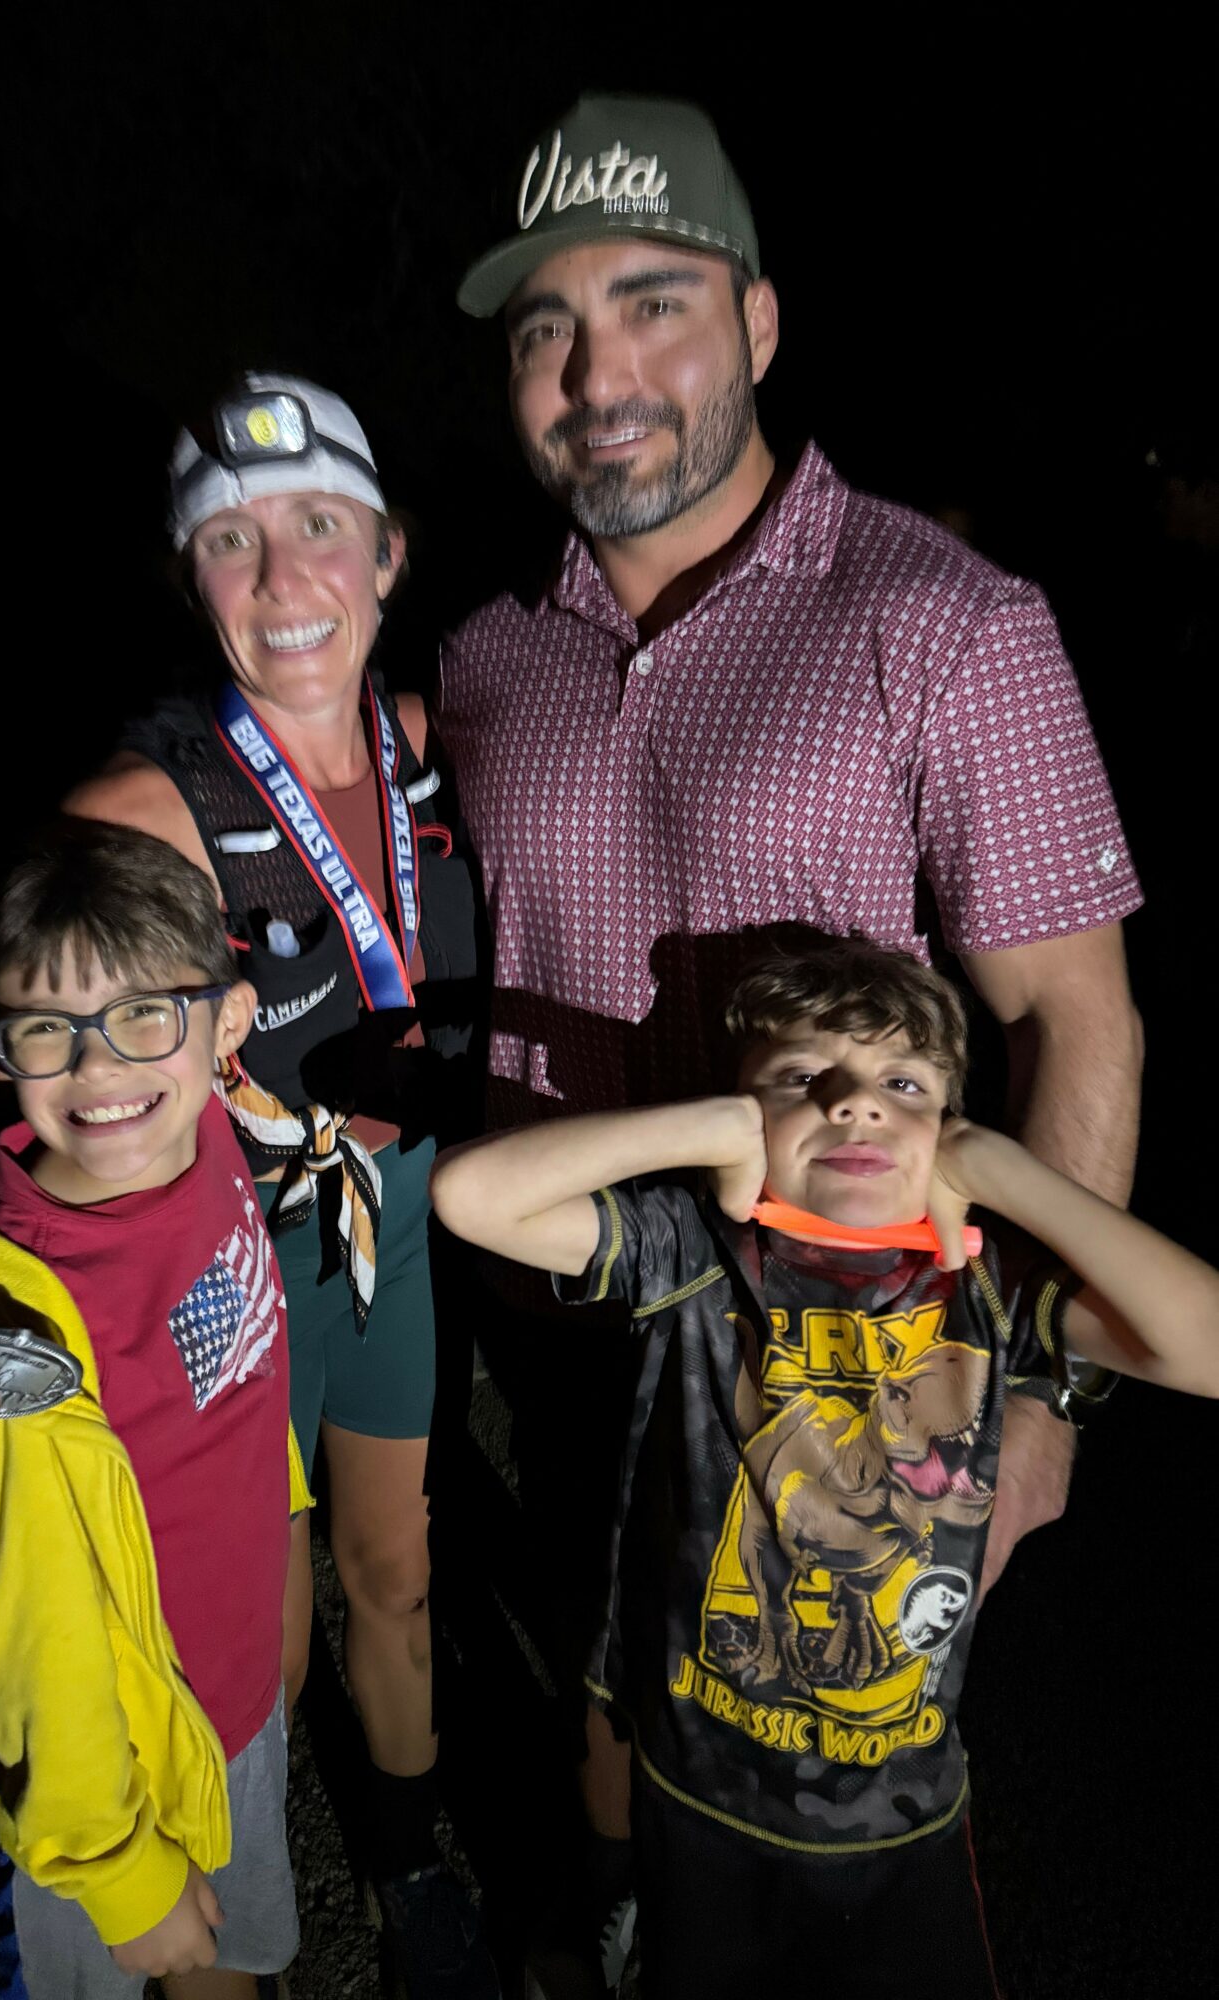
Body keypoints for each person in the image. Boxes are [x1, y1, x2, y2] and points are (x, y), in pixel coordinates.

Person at [441, 91, 1144, 1982]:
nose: (599, 375)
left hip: (846, 1369)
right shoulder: (489, 658)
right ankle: (618, 1908)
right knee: (610, 1683)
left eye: (653, 306)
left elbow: (1074, 1016)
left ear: (759, 323)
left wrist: (1042, 1407)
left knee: (841, 1801)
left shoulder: (947, 624)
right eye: (545, 329)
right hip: (571, 1317)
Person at [0, 377, 494, 1999]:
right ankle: (192, 1905)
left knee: (399, 1574)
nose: (283, 580)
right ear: (188, 575)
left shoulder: (434, 744)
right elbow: (18, 1090)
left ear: (389, 555)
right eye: (231, 541)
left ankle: (407, 1866)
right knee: (248, 1635)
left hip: (397, 1224)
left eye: (320, 527)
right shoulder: (138, 812)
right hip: (231, 1263)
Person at [428, 938, 1219, 1998]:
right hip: (698, 1799)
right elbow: (470, 1195)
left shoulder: (986, 1293)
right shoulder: (697, 1254)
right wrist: (713, 1130)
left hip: (900, 1825)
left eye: (905, 1086)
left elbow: (1204, 1341)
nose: (853, 1104)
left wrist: (1000, 1168)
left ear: (948, 1131)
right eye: (801, 1079)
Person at [0, 816, 309, 1998]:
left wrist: (288, 1553)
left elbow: (246, 1369)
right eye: (49, 1028)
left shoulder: (212, 1134)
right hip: (104, 1779)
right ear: (2, 1047)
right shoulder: (9, 1330)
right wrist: (120, 1870)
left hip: (235, 1698)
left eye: (145, 1013)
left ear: (228, 1025)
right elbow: (24, 1638)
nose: (100, 1069)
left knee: (231, 1962)